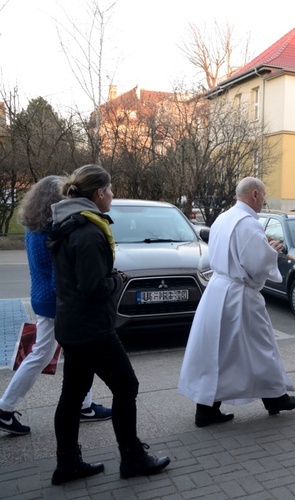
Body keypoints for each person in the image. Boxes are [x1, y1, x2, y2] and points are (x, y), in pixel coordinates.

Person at [47, 165, 170, 485]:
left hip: (73, 325)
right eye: (110, 190)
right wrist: (116, 280)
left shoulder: (69, 224)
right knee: (126, 386)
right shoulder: (88, 232)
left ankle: (68, 464)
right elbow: (92, 288)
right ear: (99, 193)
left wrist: (107, 278)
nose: (112, 195)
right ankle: (132, 458)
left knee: (72, 396)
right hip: (92, 329)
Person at [178, 177, 295, 425]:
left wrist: (263, 249)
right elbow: (255, 264)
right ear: (255, 194)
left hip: (217, 290)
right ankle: (276, 398)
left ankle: (207, 409)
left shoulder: (224, 218)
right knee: (262, 346)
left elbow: (235, 253)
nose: (265, 200)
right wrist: (272, 251)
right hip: (239, 295)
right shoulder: (248, 223)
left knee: (216, 351)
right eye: (264, 195)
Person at [0, 176, 112, 436]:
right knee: (43, 353)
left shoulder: (34, 227)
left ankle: (84, 406)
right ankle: (4, 408)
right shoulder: (53, 229)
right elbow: (57, 271)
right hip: (56, 300)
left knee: (70, 352)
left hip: (44, 297)